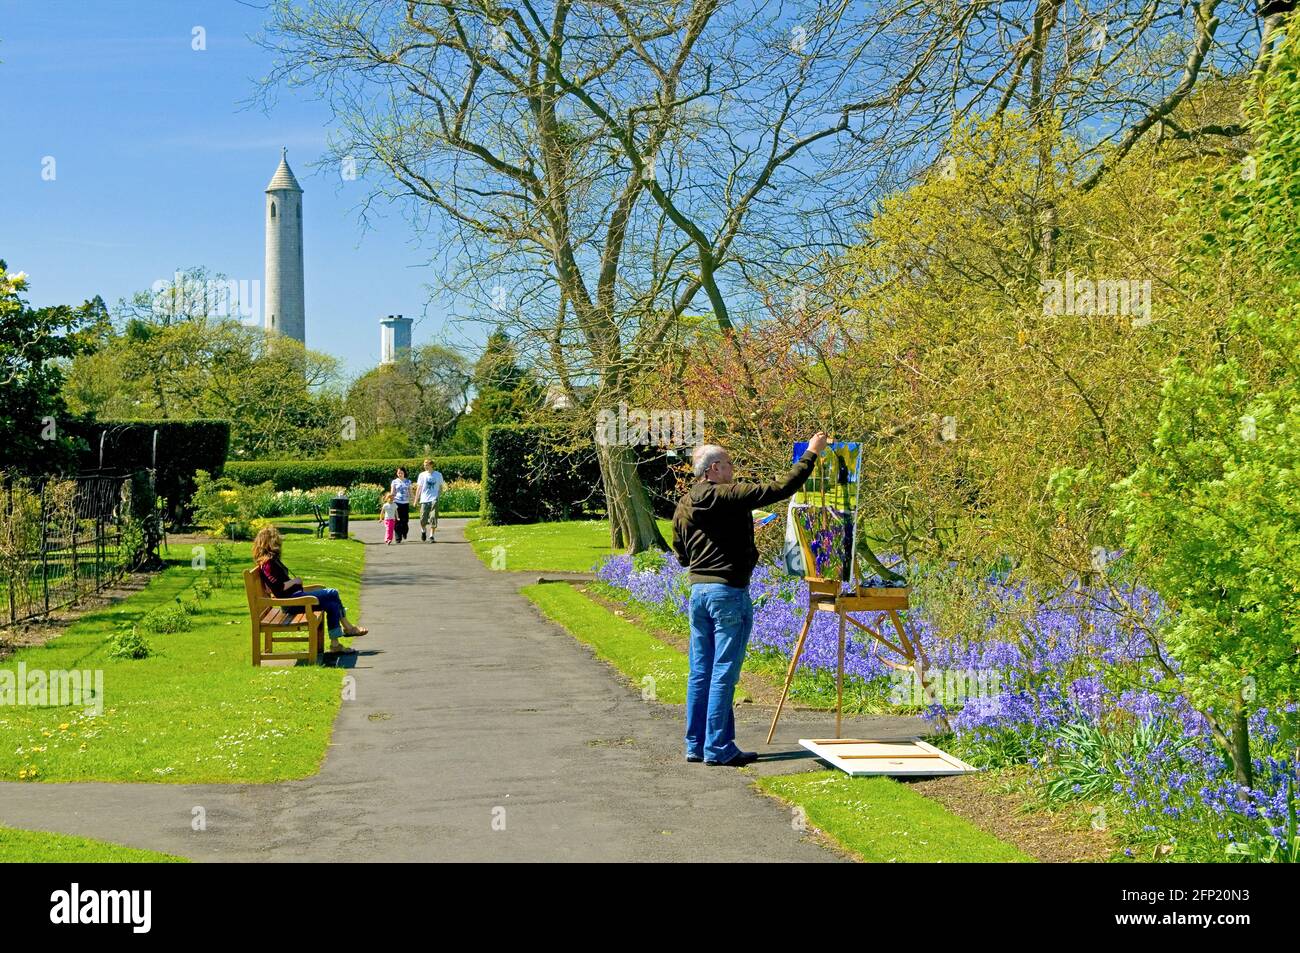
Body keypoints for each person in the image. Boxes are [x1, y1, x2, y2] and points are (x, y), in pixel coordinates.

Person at [672, 432, 828, 767]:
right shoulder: (729, 495)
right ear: (714, 468)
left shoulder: (685, 503)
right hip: (728, 591)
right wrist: (811, 455)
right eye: (729, 464)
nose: (733, 469)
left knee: (701, 670)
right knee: (724, 671)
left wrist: (706, 559)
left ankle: (695, 744)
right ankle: (718, 748)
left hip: (698, 592)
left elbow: (681, 552)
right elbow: (779, 489)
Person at [252, 525, 368, 653]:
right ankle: (348, 628)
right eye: (277, 540)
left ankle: (335, 645)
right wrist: (295, 581)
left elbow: (271, 587)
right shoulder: (268, 563)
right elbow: (279, 589)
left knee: (332, 605)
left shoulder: (270, 562)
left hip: (295, 598)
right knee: (332, 593)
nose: (280, 543)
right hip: (291, 603)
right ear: (271, 542)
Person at [416, 459, 445, 542]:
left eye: (426, 465)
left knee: (433, 517)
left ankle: (431, 536)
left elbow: (440, 487)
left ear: (431, 465)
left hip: (434, 499)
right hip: (424, 499)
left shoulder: (438, 475)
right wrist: (416, 499)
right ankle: (423, 531)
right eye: (424, 465)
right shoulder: (422, 475)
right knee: (422, 519)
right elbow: (419, 488)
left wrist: (437, 497)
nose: (425, 466)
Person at [389, 467, 412, 543]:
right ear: (397, 473)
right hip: (397, 502)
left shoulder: (408, 481)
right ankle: (398, 538)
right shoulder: (394, 482)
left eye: (401, 473)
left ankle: (404, 532)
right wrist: (389, 499)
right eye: (398, 473)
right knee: (397, 520)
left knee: (405, 520)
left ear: (404, 473)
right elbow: (392, 492)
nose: (400, 474)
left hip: (405, 503)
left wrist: (413, 500)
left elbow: (410, 492)